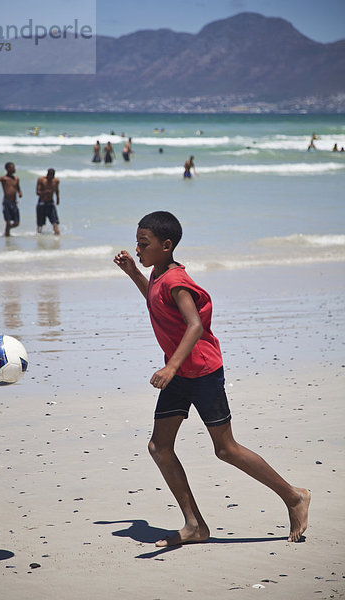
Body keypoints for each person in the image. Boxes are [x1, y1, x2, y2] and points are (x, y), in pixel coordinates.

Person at [114, 211, 310, 548]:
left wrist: (171, 368)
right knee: (160, 447)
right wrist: (134, 272)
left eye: (143, 245)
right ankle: (195, 526)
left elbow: (195, 326)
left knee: (226, 448)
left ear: (166, 245)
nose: (138, 248)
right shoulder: (160, 275)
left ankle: (294, 496)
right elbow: (156, 302)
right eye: (137, 243)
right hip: (180, 372)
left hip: (201, 372)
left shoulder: (176, 281)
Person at [0, 162, 22, 236]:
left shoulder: (16, 179)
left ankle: (8, 230)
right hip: (7, 202)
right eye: (13, 167)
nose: (14, 169)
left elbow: (18, 188)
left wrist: (19, 192)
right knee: (8, 221)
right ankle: (7, 236)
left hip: (14, 202)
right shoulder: (4, 178)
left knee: (17, 223)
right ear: (8, 169)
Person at [36, 168, 60, 235]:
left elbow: (57, 190)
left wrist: (58, 199)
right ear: (47, 174)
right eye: (50, 177)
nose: (51, 179)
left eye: (52, 177)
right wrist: (45, 192)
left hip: (50, 203)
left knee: (55, 222)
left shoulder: (56, 181)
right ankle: (39, 235)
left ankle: (57, 236)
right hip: (42, 203)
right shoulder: (41, 180)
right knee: (40, 224)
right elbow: (37, 192)